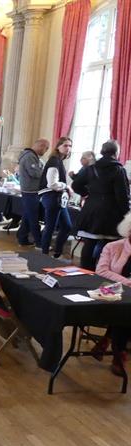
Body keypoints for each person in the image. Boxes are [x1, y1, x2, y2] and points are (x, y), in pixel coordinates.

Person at [74, 140, 131, 269]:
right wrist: (126, 214)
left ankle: (84, 271)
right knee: (108, 245)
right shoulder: (118, 169)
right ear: (116, 153)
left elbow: (75, 184)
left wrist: (88, 194)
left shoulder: (91, 168)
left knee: (89, 243)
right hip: (110, 212)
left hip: (91, 209)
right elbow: (122, 196)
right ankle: (102, 271)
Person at [95, 210, 131, 376]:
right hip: (109, 290)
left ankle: (108, 340)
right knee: (125, 310)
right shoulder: (113, 246)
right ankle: (119, 353)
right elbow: (101, 271)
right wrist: (127, 282)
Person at [37, 137, 74, 256]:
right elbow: (52, 183)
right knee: (50, 227)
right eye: (65, 145)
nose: (68, 148)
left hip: (57, 199)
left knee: (67, 226)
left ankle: (57, 252)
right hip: (52, 198)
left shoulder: (58, 161)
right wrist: (66, 186)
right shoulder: (54, 161)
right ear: (58, 146)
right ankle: (44, 254)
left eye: (70, 146)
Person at [16, 138, 50, 247]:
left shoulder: (32, 157)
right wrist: (45, 172)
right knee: (33, 218)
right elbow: (35, 173)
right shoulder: (30, 157)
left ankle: (22, 237)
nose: (45, 151)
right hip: (30, 191)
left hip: (31, 191)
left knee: (27, 216)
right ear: (41, 146)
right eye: (46, 148)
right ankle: (40, 243)